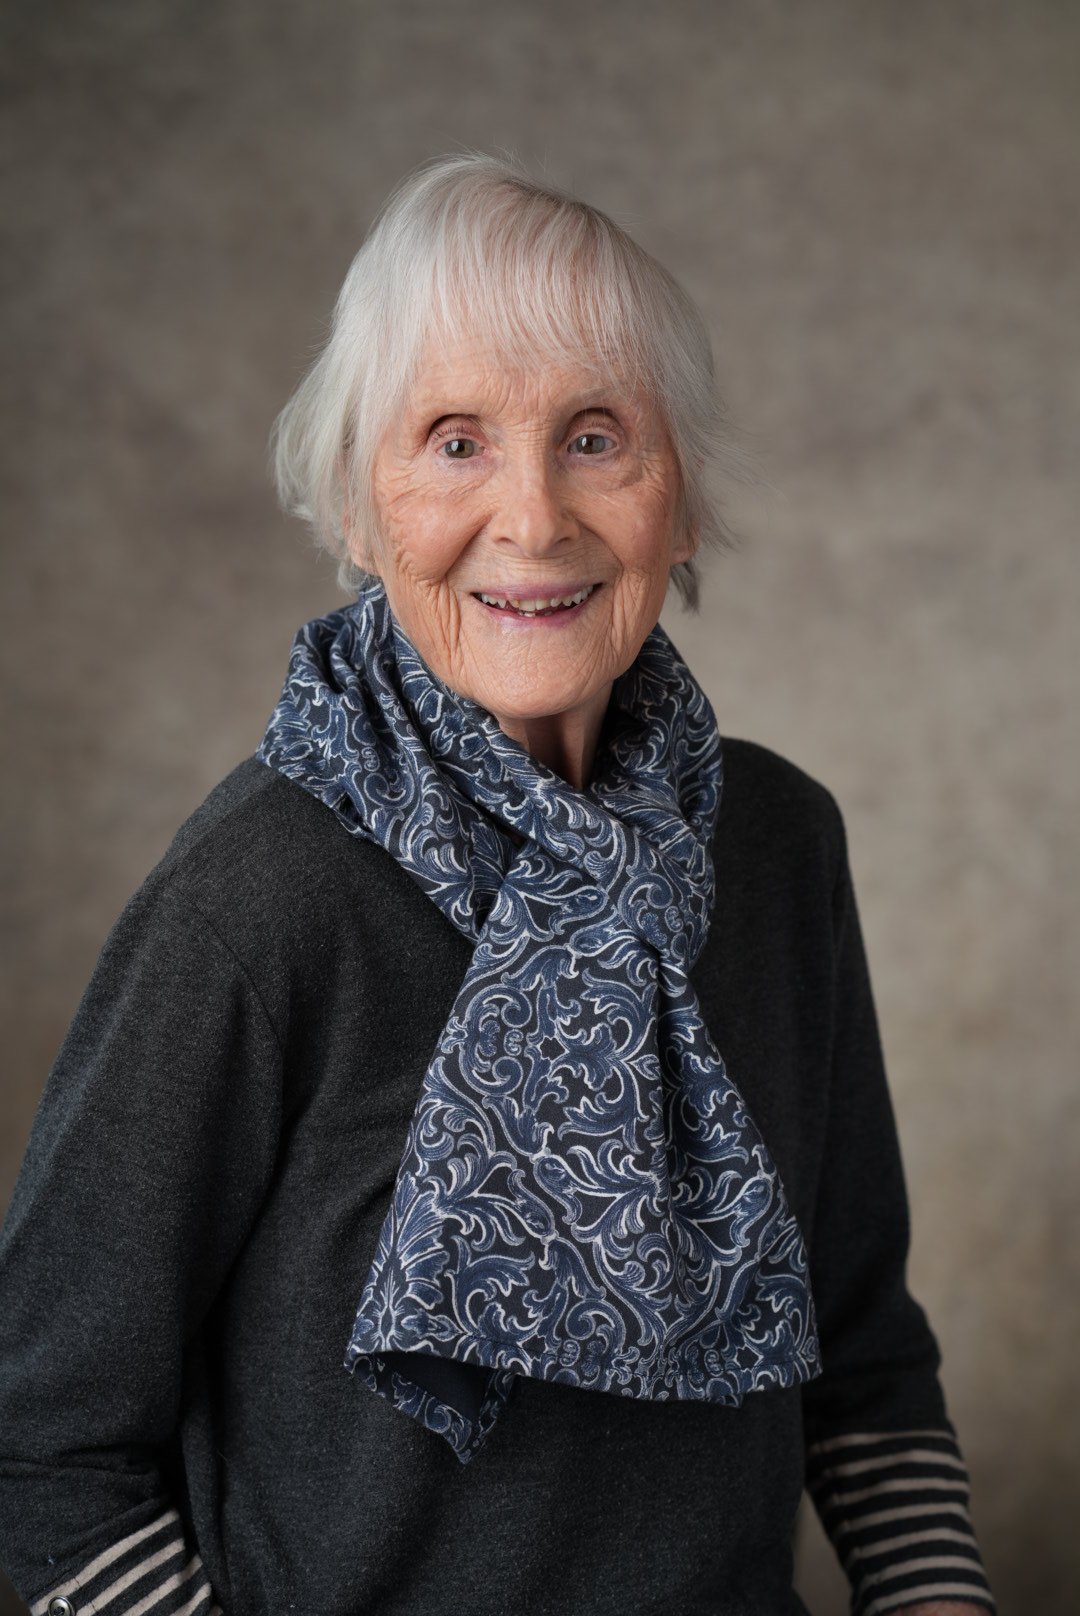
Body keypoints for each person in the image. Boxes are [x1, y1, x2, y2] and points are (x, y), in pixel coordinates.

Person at [0, 153, 995, 1616]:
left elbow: (862, 1362)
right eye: (454, 440)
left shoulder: (779, 847)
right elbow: (39, 1448)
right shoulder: (261, 894)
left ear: (681, 500)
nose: (533, 519)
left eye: (595, 437)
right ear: (359, 506)